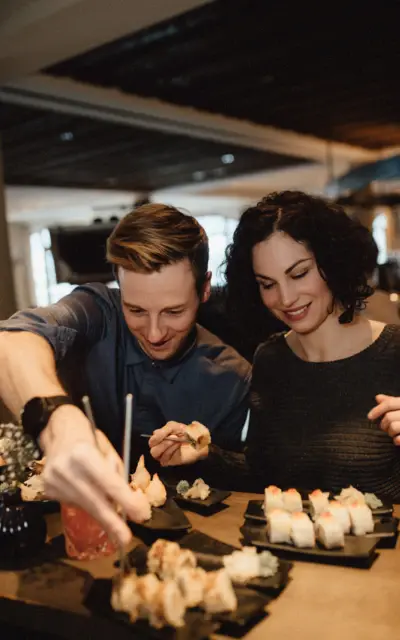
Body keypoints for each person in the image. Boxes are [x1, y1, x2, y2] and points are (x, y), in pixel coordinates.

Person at [0, 203, 250, 545]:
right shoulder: (98, 312)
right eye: (135, 310)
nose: (155, 332)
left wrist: (208, 457)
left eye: (174, 311)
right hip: (75, 546)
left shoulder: (232, 378)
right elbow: (10, 343)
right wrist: (57, 421)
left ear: (204, 289)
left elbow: (241, 489)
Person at [149, 191, 400, 501]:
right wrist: (204, 455)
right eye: (267, 284)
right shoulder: (271, 359)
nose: (285, 298)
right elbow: (265, 475)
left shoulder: (394, 352)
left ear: (333, 262)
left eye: (299, 274)